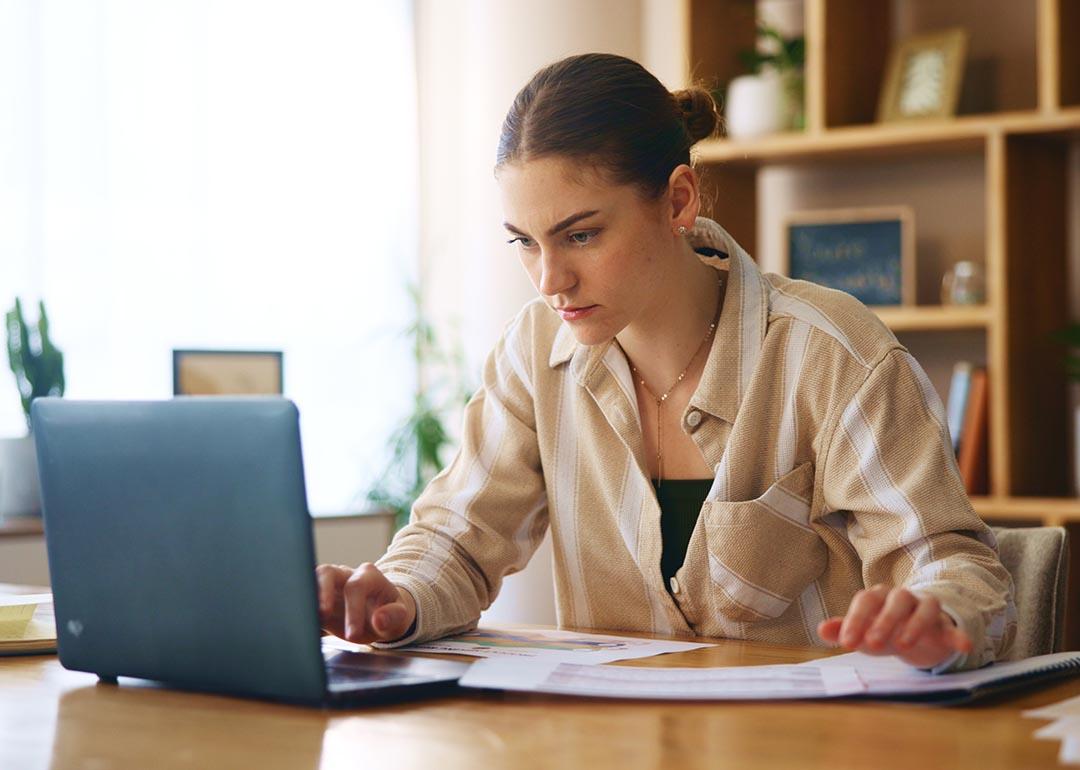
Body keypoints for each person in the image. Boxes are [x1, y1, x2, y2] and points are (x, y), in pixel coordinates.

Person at [317, 53, 1015, 673]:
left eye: (581, 234)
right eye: (524, 243)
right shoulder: (533, 354)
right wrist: (399, 596)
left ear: (678, 200)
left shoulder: (831, 355)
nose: (549, 279)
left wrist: (936, 614)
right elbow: (458, 542)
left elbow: (952, 565)